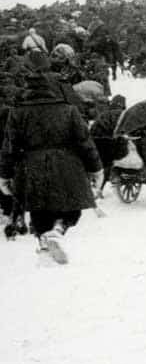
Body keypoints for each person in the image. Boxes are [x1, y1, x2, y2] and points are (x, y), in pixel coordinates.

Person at [0, 59, 103, 264]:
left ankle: (44, 246)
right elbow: (85, 142)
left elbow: (9, 146)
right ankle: (58, 230)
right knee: (72, 207)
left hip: (30, 165)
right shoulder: (69, 110)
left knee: (38, 208)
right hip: (67, 163)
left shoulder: (18, 112)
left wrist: (4, 174)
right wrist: (96, 168)